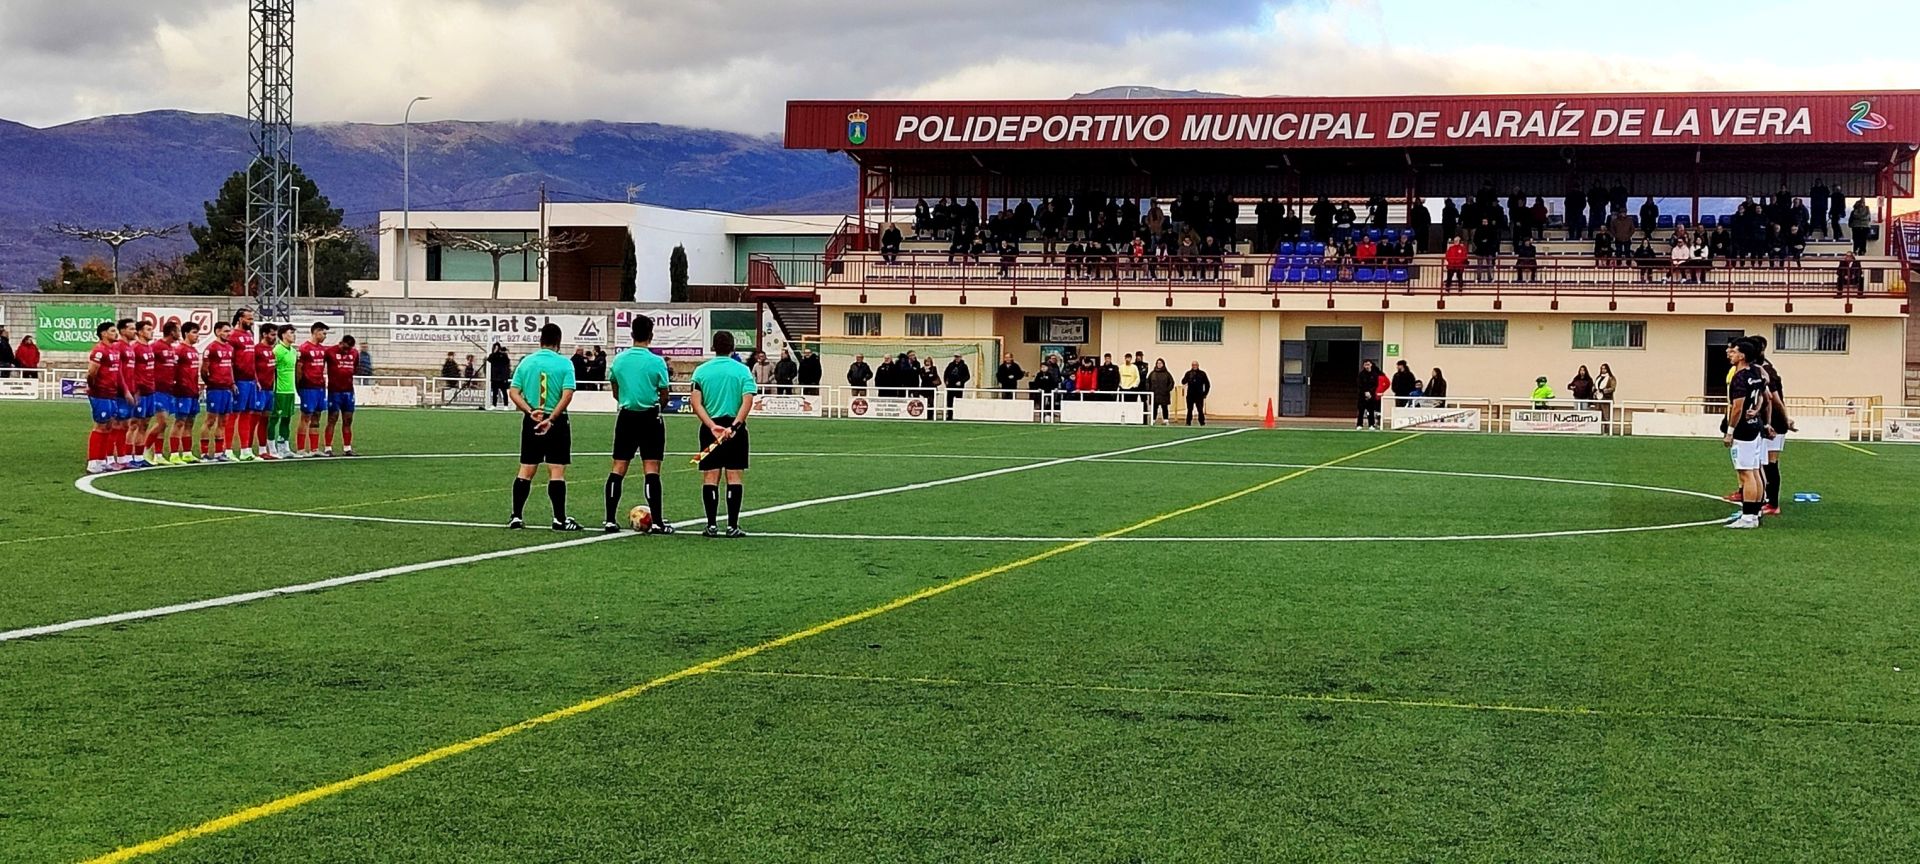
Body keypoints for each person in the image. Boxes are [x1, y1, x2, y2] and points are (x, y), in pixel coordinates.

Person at [506, 323, 583, 532]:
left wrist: (529, 412)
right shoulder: (565, 364)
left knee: (526, 469)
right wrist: (553, 417)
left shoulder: (527, 363)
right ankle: (559, 519)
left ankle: (516, 516)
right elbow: (567, 394)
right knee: (556, 470)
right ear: (558, 342)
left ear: (540, 340)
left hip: (532, 419)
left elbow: (513, 392)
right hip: (555, 422)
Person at [604, 316, 674, 534]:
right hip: (649, 418)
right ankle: (657, 522)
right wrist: (656, 406)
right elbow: (664, 393)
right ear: (651, 336)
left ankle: (609, 519)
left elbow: (614, 386)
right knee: (651, 469)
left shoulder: (620, 360)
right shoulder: (656, 362)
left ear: (632, 334)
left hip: (626, 416)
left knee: (618, 468)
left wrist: (625, 398)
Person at [690, 330, 756, 538]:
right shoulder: (742, 371)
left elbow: (695, 402)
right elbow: (747, 400)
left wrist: (711, 426)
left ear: (713, 347)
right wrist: (735, 427)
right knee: (734, 475)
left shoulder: (701, 371)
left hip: (711, 427)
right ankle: (732, 525)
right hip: (734, 428)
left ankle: (711, 525)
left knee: (711, 475)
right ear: (733, 347)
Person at [1723, 339, 1774, 529]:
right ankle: (1755, 513)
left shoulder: (1740, 377)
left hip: (1744, 429)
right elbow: (1763, 395)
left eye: (1734, 351)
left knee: (1746, 473)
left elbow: (1737, 407)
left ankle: (1748, 517)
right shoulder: (1757, 372)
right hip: (1756, 425)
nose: (1730, 353)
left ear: (1742, 355)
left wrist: (1730, 431)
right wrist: (1757, 409)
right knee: (1755, 471)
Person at [84, 321, 132, 474]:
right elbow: (91, 373)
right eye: (112, 331)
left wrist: (124, 391)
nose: (115, 333)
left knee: (109, 426)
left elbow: (118, 374)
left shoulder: (114, 351)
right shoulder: (99, 350)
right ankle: (93, 462)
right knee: (100, 425)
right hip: (101, 393)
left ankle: (102, 460)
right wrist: (94, 388)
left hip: (111, 394)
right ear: (103, 333)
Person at [165, 322, 203, 464]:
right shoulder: (179, 350)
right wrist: (176, 386)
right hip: (182, 391)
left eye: (198, 332)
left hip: (193, 391)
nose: (197, 335)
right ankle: (174, 454)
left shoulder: (193, 351)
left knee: (190, 422)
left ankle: (187, 453)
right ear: (186, 333)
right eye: (194, 332)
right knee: (180, 421)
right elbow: (172, 370)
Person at [200, 322, 236, 462]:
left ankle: (219, 453)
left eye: (229, 331)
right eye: (226, 331)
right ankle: (204, 453)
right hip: (215, 389)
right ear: (218, 332)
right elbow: (204, 370)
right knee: (210, 420)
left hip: (227, 389)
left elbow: (230, 367)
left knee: (223, 421)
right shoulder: (211, 348)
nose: (229, 334)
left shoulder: (229, 348)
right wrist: (211, 382)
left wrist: (232, 383)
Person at [295, 323, 331, 457]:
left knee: (317, 416)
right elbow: (298, 369)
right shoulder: (304, 348)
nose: (325, 336)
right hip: (308, 387)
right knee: (306, 417)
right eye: (323, 333)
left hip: (320, 387)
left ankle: (314, 449)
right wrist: (299, 386)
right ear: (316, 332)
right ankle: (300, 450)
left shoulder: (323, 350)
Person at [324, 334, 360, 457]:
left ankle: (347, 448)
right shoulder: (330, 352)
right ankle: (328, 448)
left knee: (348, 419)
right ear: (341, 343)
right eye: (345, 348)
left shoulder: (354, 353)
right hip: (334, 391)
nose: (346, 351)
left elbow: (355, 368)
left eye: (348, 349)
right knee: (332, 418)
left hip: (349, 391)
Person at [270, 324, 299, 458]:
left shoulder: (293, 351)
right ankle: (271, 447)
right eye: (291, 332)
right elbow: (271, 370)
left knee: (287, 419)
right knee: (274, 418)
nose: (293, 335)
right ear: (283, 335)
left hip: (290, 390)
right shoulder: (277, 350)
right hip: (279, 390)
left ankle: (284, 447)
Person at [1356, 360, 1387, 430]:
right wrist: (1365, 392)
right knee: (1361, 411)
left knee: (1371, 411)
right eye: (1365, 365)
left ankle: (1371, 425)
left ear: (1371, 365)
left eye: (1368, 364)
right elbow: (1360, 385)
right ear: (1364, 366)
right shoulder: (1361, 374)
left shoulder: (1374, 374)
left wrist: (1370, 392)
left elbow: (1375, 385)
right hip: (1362, 395)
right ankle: (1359, 424)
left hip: (1371, 395)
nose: (1367, 366)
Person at [1146, 359, 1175, 425]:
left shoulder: (1167, 374)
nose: (1159, 364)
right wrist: (1149, 390)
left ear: (1163, 364)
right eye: (1158, 363)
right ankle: (1153, 420)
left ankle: (1166, 420)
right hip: (1155, 394)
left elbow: (1171, 382)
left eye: (1160, 363)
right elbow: (1147, 382)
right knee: (1154, 408)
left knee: (1164, 407)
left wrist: (1167, 389)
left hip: (1164, 394)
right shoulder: (1152, 373)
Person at [487, 343, 512, 409]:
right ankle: (494, 405)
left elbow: (507, 361)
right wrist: (494, 352)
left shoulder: (503, 355)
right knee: (495, 392)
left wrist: (503, 353)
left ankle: (506, 405)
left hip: (502, 377)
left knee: (504, 392)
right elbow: (489, 359)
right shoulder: (492, 356)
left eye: (497, 348)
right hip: (495, 377)